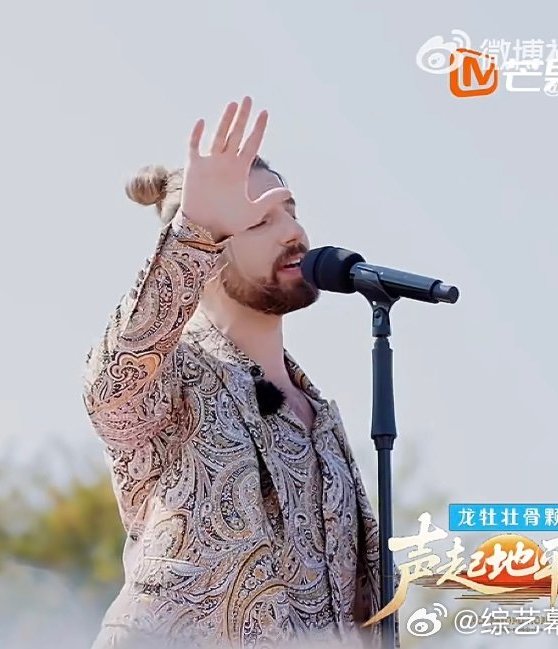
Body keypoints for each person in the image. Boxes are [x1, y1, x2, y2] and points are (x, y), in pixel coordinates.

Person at [82, 97, 382, 648]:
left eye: (290, 209)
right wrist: (194, 231)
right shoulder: (173, 376)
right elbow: (112, 389)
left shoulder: (320, 417)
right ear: (210, 246)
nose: (293, 231)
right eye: (260, 219)